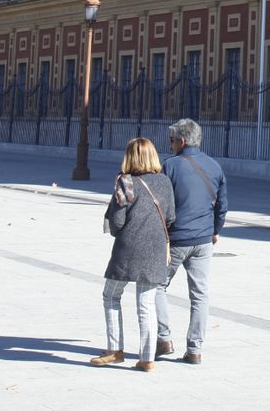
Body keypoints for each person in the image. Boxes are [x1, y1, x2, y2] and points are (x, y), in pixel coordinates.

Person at [91, 137, 175, 372]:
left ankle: (115, 349)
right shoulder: (164, 182)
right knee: (146, 302)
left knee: (111, 295)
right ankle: (147, 358)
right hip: (156, 248)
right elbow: (170, 216)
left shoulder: (125, 182)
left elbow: (117, 221)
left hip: (128, 248)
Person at [156, 118, 226, 365]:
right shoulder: (215, 166)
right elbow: (222, 205)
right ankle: (195, 349)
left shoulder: (170, 166)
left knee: (157, 286)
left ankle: (164, 339)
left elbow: (161, 204)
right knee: (200, 295)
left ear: (182, 141)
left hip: (176, 239)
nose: (170, 144)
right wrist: (215, 230)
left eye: (172, 140)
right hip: (204, 239)